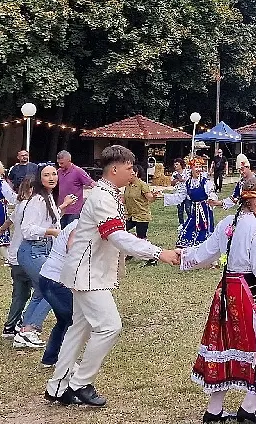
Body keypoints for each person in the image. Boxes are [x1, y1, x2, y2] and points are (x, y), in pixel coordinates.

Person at [45, 145, 179, 407]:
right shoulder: (102, 198)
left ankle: (58, 386)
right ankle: (79, 383)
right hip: (88, 274)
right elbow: (117, 236)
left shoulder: (108, 194)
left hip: (88, 271)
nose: (133, 173)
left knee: (79, 329)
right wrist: (158, 252)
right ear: (114, 169)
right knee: (109, 326)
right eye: (129, 168)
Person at [176, 175, 256, 423]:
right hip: (246, 293)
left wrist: (181, 257)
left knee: (224, 347)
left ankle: (214, 411)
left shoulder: (226, 224)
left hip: (225, 293)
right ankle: (249, 406)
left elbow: (203, 255)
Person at [14, 165, 77, 350]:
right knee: (53, 288)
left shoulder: (48, 197)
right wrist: (51, 232)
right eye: (46, 175)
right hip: (32, 250)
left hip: (42, 249)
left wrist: (63, 207)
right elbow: (27, 229)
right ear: (39, 178)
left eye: (54, 174)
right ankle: (29, 329)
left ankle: (25, 330)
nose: (51, 177)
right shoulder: (37, 200)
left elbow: (52, 219)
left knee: (41, 291)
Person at [0, 176, 35, 339]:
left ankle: (11, 326)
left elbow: (9, 220)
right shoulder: (30, 206)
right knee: (41, 292)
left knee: (21, 293)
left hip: (15, 256)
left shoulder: (20, 205)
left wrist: (0, 230)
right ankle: (24, 324)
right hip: (26, 256)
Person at [38, 216, 78, 367]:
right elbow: (72, 248)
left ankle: (50, 358)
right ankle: (66, 361)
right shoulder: (80, 226)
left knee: (64, 320)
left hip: (48, 278)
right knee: (75, 320)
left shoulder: (78, 223)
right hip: (55, 281)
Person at [163, 157, 217, 248]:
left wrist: (212, 199)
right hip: (194, 212)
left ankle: (209, 257)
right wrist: (164, 196)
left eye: (200, 167)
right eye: (196, 166)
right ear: (191, 168)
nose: (199, 169)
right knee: (186, 233)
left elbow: (212, 194)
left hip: (205, 212)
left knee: (205, 235)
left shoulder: (205, 182)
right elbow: (180, 197)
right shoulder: (188, 183)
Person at [56, 150, 95, 229]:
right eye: (58, 163)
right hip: (61, 209)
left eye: (62, 163)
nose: (60, 165)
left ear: (69, 160)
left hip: (74, 211)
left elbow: (91, 183)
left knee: (71, 234)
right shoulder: (58, 172)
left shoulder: (78, 171)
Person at [124, 164, 160, 244]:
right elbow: (125, 199)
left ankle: (149, 251)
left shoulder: (142, 184)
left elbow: (150, 198)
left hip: (142, 216)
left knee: (141, 239)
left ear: (135, 173)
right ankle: (131, 246)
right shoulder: (128, 185)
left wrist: (154, 196)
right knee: (121, 230)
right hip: (130, 216)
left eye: (130, 173)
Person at [170, 158, 190, 228]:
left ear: (181, 165)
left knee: (188, 208)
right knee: (180, 209)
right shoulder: (174, 174)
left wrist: (182, 179)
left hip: (187, 193)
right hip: (178, 193)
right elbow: (172, 184)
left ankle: (190, 222)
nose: (175, 166)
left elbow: (190, 180)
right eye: (174, 164)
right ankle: (181, 223)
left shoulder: (187, 171)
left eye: (177, 164)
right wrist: (176, 180)